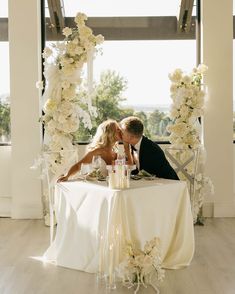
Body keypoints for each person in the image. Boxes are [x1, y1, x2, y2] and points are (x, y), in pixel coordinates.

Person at [57, 119, 132, 182]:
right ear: (110, 133)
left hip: (111, 187)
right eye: (118, 130)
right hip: (98, 186)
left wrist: (127, 149)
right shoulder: (97, 151)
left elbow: (129, 168)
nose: (121, 132)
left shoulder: (115, 153)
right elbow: (78, 166)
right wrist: (67, 176)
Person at [120, 116, 179, 180]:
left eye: (122, 132)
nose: (120, 134)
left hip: (169, 184)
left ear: (131, 137)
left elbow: (148, 174)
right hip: (152, 182)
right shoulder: (132, 145)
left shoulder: (151, 149)